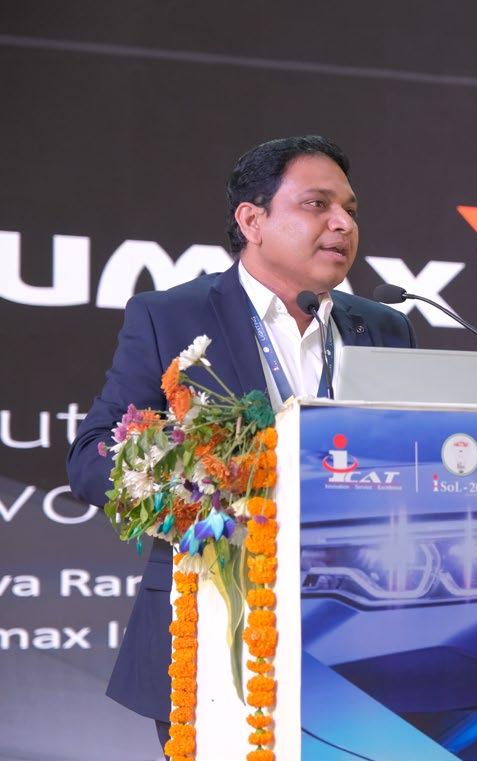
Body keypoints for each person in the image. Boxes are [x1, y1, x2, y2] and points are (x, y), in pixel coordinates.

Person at [66, 135, 416, 750]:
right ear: (252, 221)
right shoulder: (171, 316)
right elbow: (93, 457)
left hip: (364, 631)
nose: (342, 224)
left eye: (350, 210)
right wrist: (196, 479)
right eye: (318, 205)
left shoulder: (384, 326)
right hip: (215, 623)